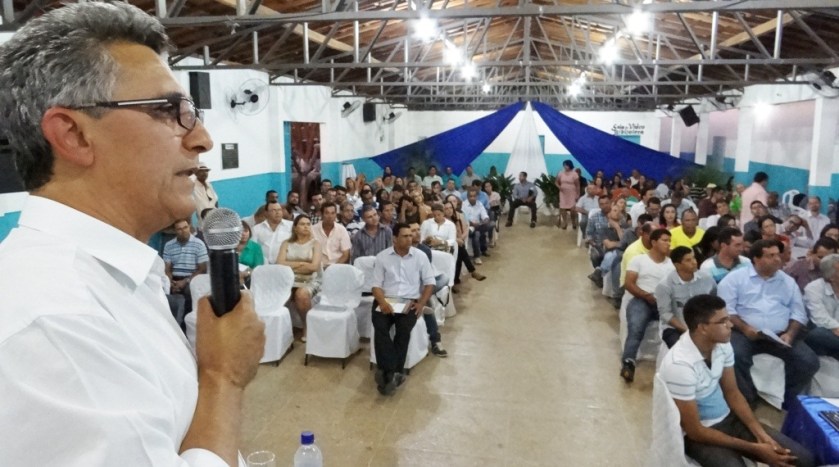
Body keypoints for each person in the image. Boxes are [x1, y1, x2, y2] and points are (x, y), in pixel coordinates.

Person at [0, 3, 266, 464]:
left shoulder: (113, 278)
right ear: (73, 135)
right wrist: (223, 377)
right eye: (169, 110)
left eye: (192, 111)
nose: (202, 138)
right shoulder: (53, 324)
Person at [660, 295, 815, 467]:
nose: (731, 325)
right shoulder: (679, 365)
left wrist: (761, 435)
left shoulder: (722, 344)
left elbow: (732, 393)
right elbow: (695, 431)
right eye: (723, 321)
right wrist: (754, 448)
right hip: (700, 434)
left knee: (803, 459)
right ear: (702, 327)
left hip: (729, 418)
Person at [717, 239, 820, 406]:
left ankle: (785, 399)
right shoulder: (735, 279)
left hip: (781, 335)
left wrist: (790, 334)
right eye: (770, 256)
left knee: (809, 362)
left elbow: (799, 313)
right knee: (735, 355)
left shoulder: (787, 281)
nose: (777, 259)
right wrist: (745, 328)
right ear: (756, 259)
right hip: (743, 332)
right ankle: (748, 398)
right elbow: (726, 311)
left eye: (778, 255)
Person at [371, 223, 435, 395]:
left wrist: (421, 303)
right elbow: (376, 286)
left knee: (403, 329)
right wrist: (382, 303)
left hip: (409, 301)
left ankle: (386, 372)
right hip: (385, 300)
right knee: (380, 326)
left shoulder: (420, 256)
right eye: (405, 236)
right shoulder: (382, 257)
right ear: (395, 239)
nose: (410, 239)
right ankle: (395, 372)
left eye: (410, 235)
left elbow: (430, 283)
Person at [620, 228, 675, 383]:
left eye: (669, 241)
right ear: (654, 242)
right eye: (665, 240)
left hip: (663, 303)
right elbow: (629, 284)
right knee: (636, 327)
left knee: (675, 327)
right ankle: (628, 362)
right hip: (641, 299)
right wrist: (646, 296)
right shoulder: (639, 260)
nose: (668, 244)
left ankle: (672, 365)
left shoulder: (672, 265)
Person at [654, 246, 716, 348]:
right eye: (688, 260)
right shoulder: (665, 285)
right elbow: (665, 314)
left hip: (703, 326)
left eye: (694, 258)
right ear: (677, 265)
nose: (694, 262)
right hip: (675, 329)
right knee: (682, 349)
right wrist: (687, 331)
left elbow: (714, 301)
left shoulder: (707, 279)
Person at [277, 215, 322, 342]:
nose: (306, 227)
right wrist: (301, 264)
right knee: (275, 293)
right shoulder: (286, 243)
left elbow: (314, 267)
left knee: (301, 294)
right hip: (289, 279)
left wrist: (291, 265)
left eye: (308, 224)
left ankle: (307, 325)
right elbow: (279, 263)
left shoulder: (315, 244)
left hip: (311, 279)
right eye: (302, 224)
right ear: (295, 228)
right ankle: (281, 330)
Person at [409, 222, 448, 358]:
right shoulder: (401, 250)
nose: (417, 233)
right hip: (406, 287)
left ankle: (435, 339)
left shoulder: (425, 250)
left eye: (418, 229)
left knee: (443, 279)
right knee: (425, 301)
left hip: (421, 284)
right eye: (413, 230)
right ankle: (435, 340)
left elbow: (426, 276)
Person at [803, 254, 839, 361]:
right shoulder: (813, 288)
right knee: (818, 333)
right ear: (831, 277)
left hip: (836, 336)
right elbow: (820, 318)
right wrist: (836, 327)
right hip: (820, 329)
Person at [445, 199, 486, 291]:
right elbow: (445, 236)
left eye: (450, 208)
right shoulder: (444, 221)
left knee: (459, 254)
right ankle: (472, 271)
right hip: (448, 244)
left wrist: (461, 239)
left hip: (459, 242)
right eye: (446, 209)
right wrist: (457, 240)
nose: (449, 210)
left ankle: (455, 281)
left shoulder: (459, 216)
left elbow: (466, 229)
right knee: (460, 250)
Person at [462, 188, 492, 265]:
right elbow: (463, 218)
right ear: (467, 197)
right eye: (471, 196)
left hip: (478, 225)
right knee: (477, 234)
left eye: (474, 196)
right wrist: (471, 223)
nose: (473, 198)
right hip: (467, 227)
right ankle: (477, 256)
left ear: (477, 196)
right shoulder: (463, 205)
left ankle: (478, 255)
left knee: (489, 225)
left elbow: (484, 215)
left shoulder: (479, 204)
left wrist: (485, 219)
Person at [236, 220, 264, 287]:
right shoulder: (229, 247)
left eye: (246, 231)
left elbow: (258, 268)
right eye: (240, 232)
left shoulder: (256, 247)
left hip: (251, 277)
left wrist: (246, 273)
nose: (244, 234)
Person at [555, 159, 580, 230]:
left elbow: (578, 185)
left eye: (566, 165)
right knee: (562, 208)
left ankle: (573, 222)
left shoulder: (574, 174)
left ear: (570, 165)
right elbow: (556, 182)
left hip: (572, 193)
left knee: (572, 209)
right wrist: (559, 187)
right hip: (563, 193)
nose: (565, 166)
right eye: (564, 165)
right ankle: (565, 222)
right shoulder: (560, 173)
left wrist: (577, 194)